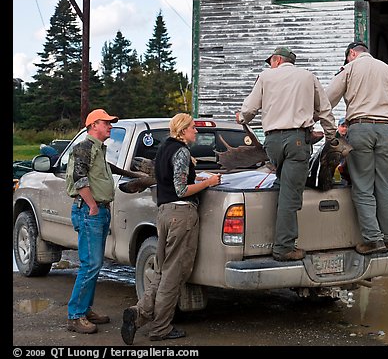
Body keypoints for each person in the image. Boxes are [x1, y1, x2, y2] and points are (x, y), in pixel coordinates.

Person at [121, 113, 221, 344]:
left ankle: (140, 313)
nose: (196, 131)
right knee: (173, 275)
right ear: (183, 130)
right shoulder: (182, 152)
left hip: (164, 213)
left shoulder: (164, 147)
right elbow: (181, 189)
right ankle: (160, 328)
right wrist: (208, 183)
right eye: (193, 128)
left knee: (161, 270)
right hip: (181, 214)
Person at [236, 46, 337, 262]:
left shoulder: (265, 77)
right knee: (291, 197)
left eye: (271, 61)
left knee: (281, 185)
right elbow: (325, 109)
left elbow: (249, 109)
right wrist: (331, 136)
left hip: (271, 142)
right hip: (297, 141)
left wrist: (242, 118)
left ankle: (266, 236)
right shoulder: (308, 77)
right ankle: (284, 248)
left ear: (276, 60)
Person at [326, 41, 388, 254]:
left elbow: (327, 99)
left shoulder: (350, 68)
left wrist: (321, 121)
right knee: (386, 186)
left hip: (361, 128)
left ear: (352, 54)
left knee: (362, 186)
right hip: (387, 129)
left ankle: (373, 239)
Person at [65, 108, 119, 334]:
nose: (110, 126)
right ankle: (75, 315)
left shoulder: (98, 150)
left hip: (98, 211)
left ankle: (85, 310)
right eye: (106, 123)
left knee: (94, 264)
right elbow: (79, 179)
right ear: (93, 124)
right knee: (90, 264)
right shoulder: (84, 147)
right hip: (90, 211)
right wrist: (93, 206)